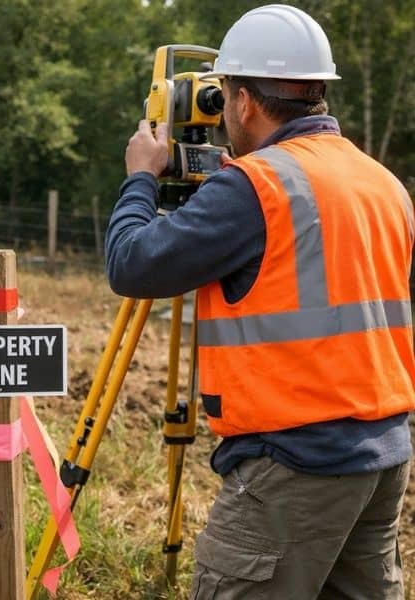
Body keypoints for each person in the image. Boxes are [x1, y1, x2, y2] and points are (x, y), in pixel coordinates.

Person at [104, 4, 414, 599]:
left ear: (243, 100)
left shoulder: (255, 186)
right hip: (384, 459)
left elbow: (132, 264)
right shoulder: (382, 183)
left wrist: (142, 177)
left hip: (295, 464)